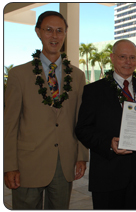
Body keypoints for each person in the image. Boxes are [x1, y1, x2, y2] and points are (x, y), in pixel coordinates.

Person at [4, 11, 89, 209]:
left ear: (65, 33)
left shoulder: (77, 76)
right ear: (38, 32)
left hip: (64, 163)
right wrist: (9, 166)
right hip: (27, 163)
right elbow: (9, 124)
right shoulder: (18, 74)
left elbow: (80, 119)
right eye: (48, 30)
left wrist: (81, 156)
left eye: (60, 31)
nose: (54, 36)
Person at [75, 39, 136, 209]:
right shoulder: (94, 91)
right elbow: (82, 129)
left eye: (133, 57)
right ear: (112, 58)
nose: (128, 62)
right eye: (123, 57)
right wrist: (109, 143)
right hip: (107, 176)